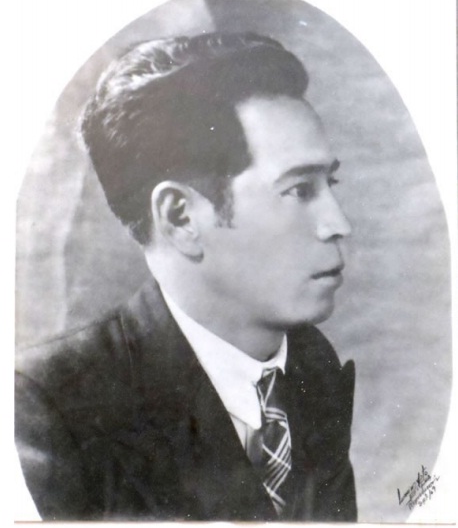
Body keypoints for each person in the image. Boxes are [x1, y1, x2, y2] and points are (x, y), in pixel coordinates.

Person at [15, 32, 357, 521]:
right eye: (300, 190)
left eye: (330, 183)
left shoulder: (309, 366)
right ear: (180, 218)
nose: (338, 224)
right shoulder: (46, 410)